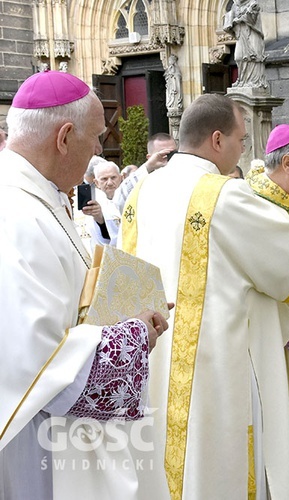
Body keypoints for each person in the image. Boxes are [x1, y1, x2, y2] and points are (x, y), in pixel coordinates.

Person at [121, 98, 289, 498]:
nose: (244, 149)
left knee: (167, 458)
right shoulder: (222, 195)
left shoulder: (143, 191)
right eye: (239, 138)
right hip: (215, 361)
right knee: (216, 465)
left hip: (156, 352)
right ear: (217, 140)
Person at [0, 70, 168, 500]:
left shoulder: (39, 196)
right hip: (40, 443)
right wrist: (133, 335)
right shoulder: (15, 215)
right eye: (95, 138)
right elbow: (32, 357)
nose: (98, 150)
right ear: (64, 136)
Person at [114, 132, 177, 212]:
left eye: (173, 153)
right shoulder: (144, 180)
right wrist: (148, 166)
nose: (169, 157)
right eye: (163, 154)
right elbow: (119, 200)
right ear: (149, 157)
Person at [224, 0, 268, 88]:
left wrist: (239, 19)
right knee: (238, 57)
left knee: (253, 57)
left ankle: (255, 81)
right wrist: (230, 22)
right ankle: (242, 80)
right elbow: (230, 20)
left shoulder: (253, 4)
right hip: (241, 35)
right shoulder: (235, 6)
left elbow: (252, 19)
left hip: (252, 34)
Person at [83, 160, 123, 249]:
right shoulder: (92, 204)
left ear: (121, 178)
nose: (109, 183)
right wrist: (100, 219)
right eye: (104, 179)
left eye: (113, 178)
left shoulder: (129, 198)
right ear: (96, 182)